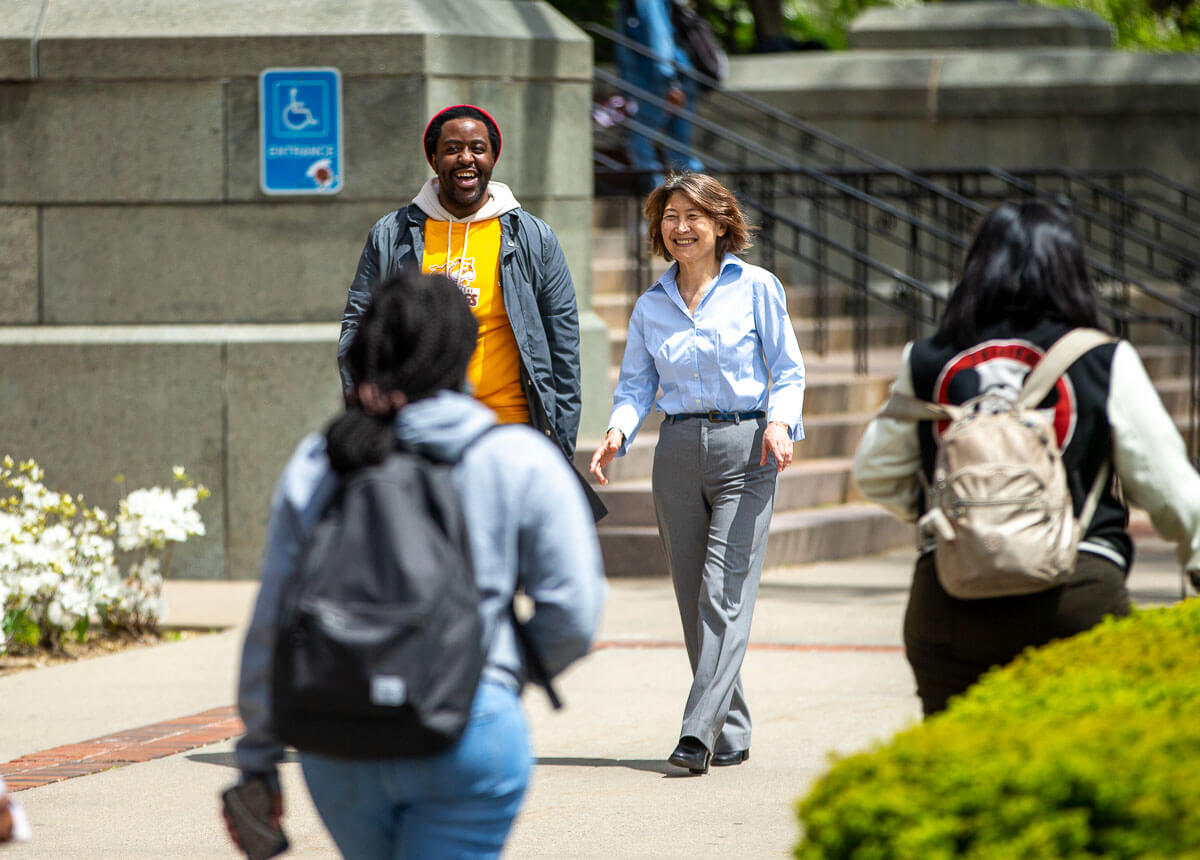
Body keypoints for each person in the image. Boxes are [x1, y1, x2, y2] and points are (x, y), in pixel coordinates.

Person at [233, 272, 606, 857]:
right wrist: (500, 679)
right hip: (468, 726)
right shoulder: (515, 457)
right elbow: (575, 614)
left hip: (338, 737)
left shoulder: (323, 457)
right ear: (465, 353)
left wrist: (256, 757)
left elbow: (273, 617)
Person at [853, 200, 1200, 716]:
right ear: (1068, 267)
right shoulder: (1102, 358)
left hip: (949, 594)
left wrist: (956, 516)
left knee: (958, 768)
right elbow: (1168, 486)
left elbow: (875, 473)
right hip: (1074, 590)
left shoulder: (927, 357)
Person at [589, 172, 806, 774]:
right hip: (678, 450)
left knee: (723, 594)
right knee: (693, 598)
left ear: (720, 223)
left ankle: (697, 733)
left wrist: (781, 423)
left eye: (693, 216)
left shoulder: (758, 287)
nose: (680, 228)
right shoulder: (650, 304)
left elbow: (787, 371)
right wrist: (617, 431)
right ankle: (731, 728)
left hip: (750, 448)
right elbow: (636, 383)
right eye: (669, 217)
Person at [338, 104, 583, 462]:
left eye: (477, 149)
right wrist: (363, 412)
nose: (466, 158)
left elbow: (564, 347)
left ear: (493, 158)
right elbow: (358, 329)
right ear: (433, 159)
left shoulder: (534, 237)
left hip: (510, 431)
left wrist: (559, 445)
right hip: (418, 431)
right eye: (452, 149)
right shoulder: (391, 235)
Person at [615, 0, 705, 189]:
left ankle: (657, 197)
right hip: (675, 78)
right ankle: (705, 200)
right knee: (679, 148)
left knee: (640, 138)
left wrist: (670, 83)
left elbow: (658, 37)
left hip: (659, 82)